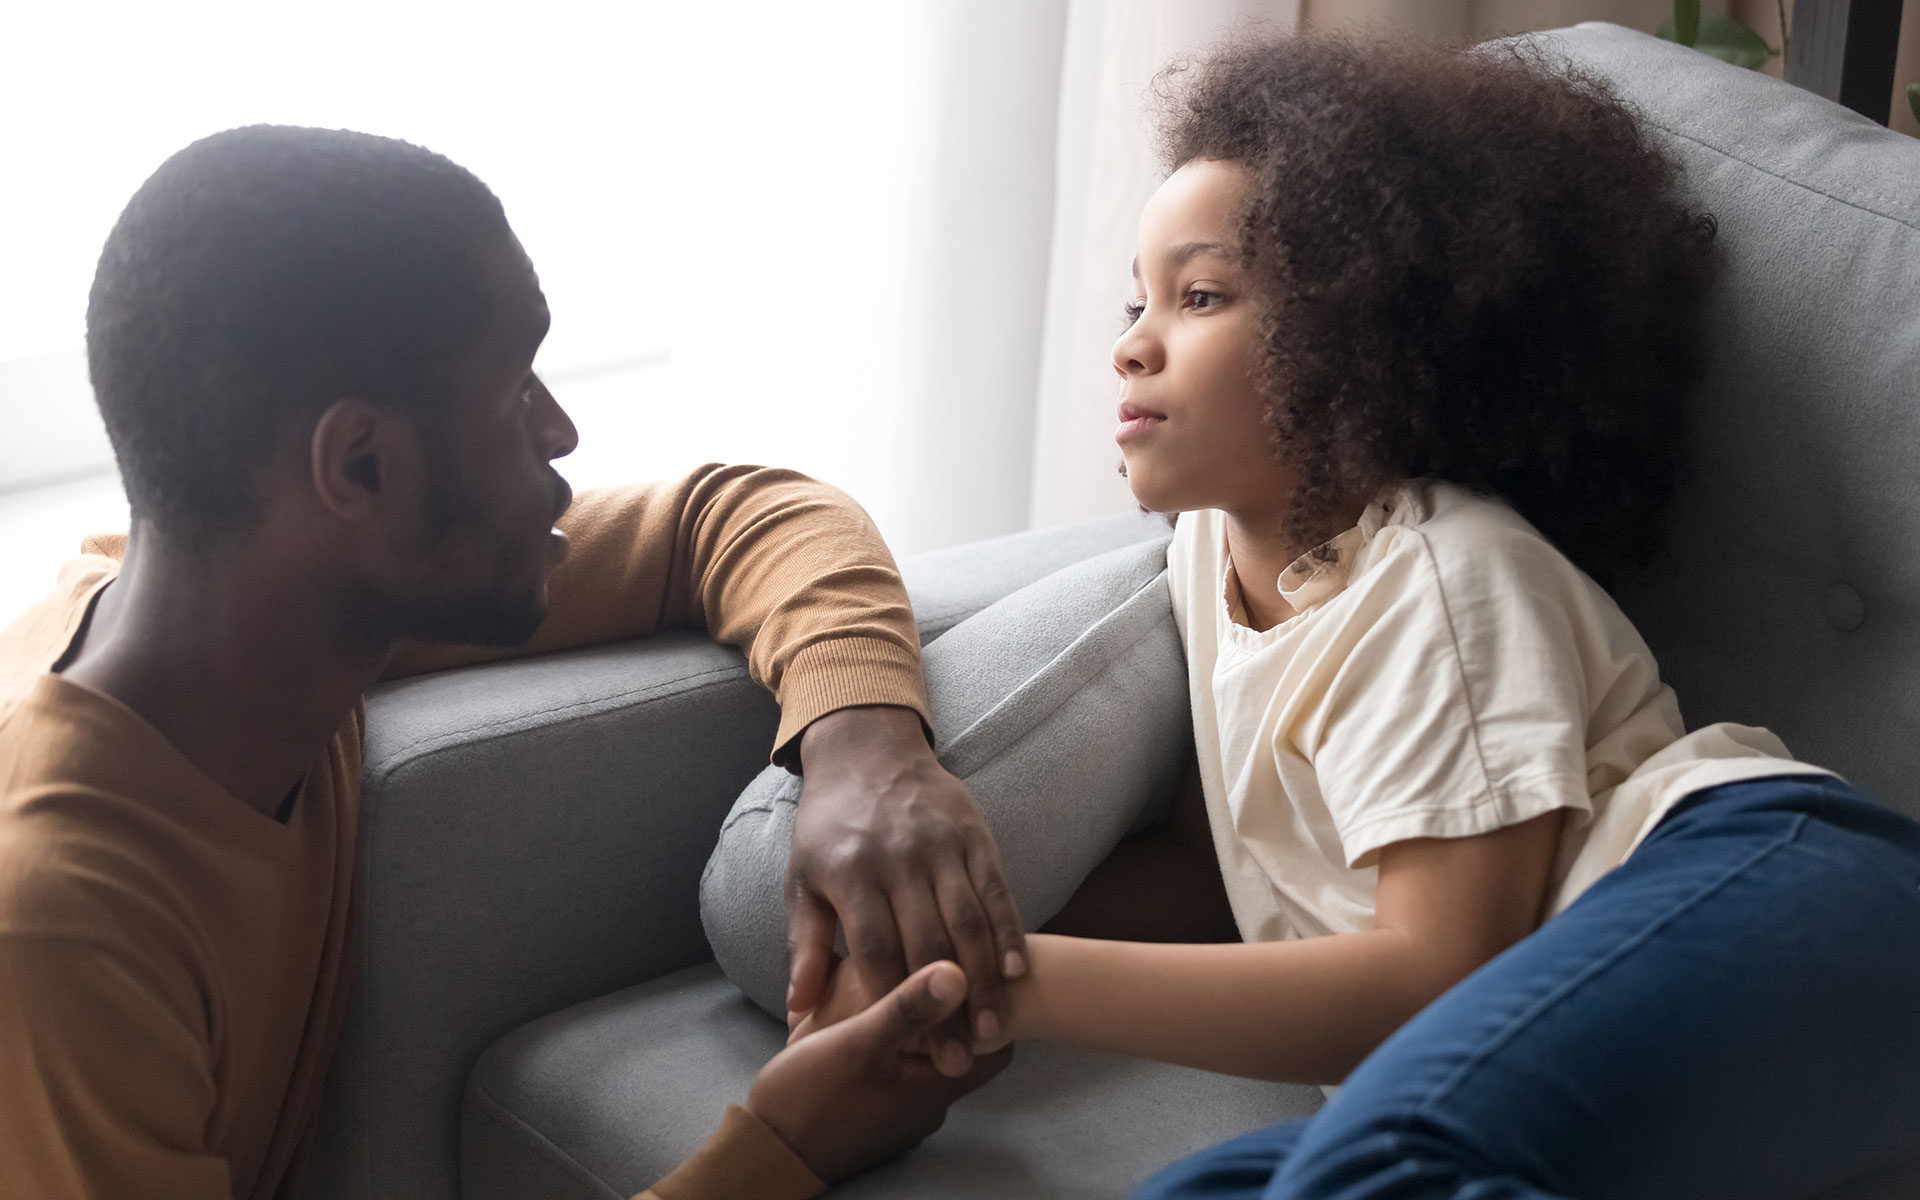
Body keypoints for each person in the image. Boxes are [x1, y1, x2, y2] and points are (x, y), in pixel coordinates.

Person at [792, 32, 1920, 1199]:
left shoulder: (1444, 574)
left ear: (1358, 327)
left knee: (1386, 1167)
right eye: (1139, 299)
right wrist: (924, 943)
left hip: (1778, 882)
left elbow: (1436, 975)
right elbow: (1215, 870)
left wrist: (1001, 977)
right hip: (1533, 1049)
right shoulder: (1204, 560)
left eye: (1201, 295)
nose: (1131, 342)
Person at [0, 124, 1019, 1200]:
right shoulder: (58, 924)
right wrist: (784, 1151)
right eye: (514, 389)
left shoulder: (249, 618)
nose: (562, 431)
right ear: (359, 463)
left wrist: (863, 749)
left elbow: (738, 512)